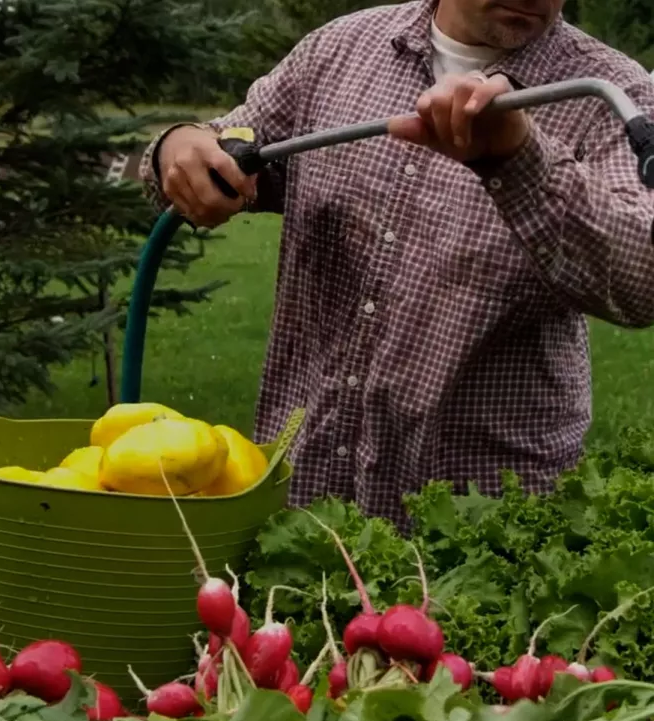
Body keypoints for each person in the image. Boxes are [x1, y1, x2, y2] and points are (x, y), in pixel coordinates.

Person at [139, 0, 654, 528]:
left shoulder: (611, 93)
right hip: (298, 501)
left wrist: (518, 158)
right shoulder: (340, 51)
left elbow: (643, 280)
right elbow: (217, 152)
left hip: (480, 522)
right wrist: (176, 148)